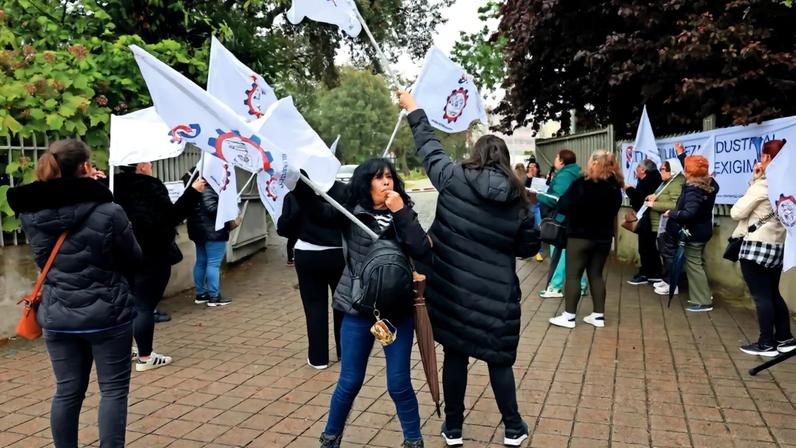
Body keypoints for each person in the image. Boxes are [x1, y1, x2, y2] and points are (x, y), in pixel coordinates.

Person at [399, 91, 540, 447]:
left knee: (456, 356)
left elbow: (429, 147)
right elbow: (527, 248)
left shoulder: (452, 178)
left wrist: (414, 109)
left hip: (453, 292)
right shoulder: (520, 199)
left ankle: (453, 428)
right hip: (498, 296)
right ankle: (512, 428)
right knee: (499, 361)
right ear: (506, 160)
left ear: (476, 155)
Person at [7, 139, 142, 448]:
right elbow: (133, 259)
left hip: (57, 313)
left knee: (67, 391)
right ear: (85, 167)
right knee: (113, 390)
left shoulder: (31, 212)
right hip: (108, 314)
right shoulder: (109, 210)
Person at [295, 159, 430, 448]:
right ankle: (330, 439)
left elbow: (421, 249)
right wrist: (297, 183)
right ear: (365, 183)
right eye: (379, 178)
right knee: (350, 381)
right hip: (357, 307)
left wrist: (401, 213)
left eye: (390, 177)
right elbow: (318, 214)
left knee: (399, 383)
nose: (386, 183)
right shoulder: (350, 212)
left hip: (396, 309)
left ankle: (414, 441)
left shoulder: (404, 212)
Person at [114, 162, 205, 371]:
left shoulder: (111, 185)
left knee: (126, 304)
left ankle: (125, 350)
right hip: (152, 254)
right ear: (143, 166)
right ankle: (145, 357)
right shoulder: (150, 186)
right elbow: (170, 217)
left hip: (121, 254)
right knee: (144, 306)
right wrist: (193, 193)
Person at [731, 139, 795, 356]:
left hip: (755, 247)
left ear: (768, 158)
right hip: (777, 246)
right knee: (773, 293)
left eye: (763, 156)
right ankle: (785, 338)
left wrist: (755, 179)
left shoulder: (764, 185)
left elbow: (736, 212)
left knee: (761, 296)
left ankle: (766, 343)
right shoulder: (788, 184)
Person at [549, 150, 623, 329]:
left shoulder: (582, 183)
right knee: (596, 275)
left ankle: (569, 316)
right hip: (603, 238)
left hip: (579, 236)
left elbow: (564, 205)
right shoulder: (615, 187)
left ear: (594, 163)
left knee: (573, 275)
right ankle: (598, 316)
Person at [276, 184, 346, 369]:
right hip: (340, 254)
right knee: (343, 306)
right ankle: (345, 353)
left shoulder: (296, 194)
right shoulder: (344, 190)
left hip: (308, 255)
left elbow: (283, 228)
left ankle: (318, 358)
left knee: (314, 307)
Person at [662, 146, 719, 312]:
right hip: (704, 229)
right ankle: (705, 294)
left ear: (689, 172)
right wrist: (682, 155)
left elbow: (689, 213)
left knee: (694, 265)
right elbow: (696, 169)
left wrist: (671, 213)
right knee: (699, 263)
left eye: (686, 169)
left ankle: (702, 301)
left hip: (694, 232)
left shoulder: (694, 189)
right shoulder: (710, 184)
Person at [535, 150, 581, 295]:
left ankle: (555, 286)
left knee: (558, 253)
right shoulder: (575, 172)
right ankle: (582, 285)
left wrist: (539, 195)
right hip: (573, 219)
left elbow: (556, 198)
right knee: (573, 255)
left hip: (561, 220)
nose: (554, 160)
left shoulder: (565, 176)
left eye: (556, 157)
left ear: (561, 161)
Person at [187, 177, 233, 307]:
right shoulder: (209, 186)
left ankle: (201, 294)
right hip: (213, 231)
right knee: (213, 263)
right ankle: (214, 297)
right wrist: (227, 204)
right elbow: (211, 208)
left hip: (198, 230)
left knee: (201, 261)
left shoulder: (192, 184)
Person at [646, 160, 684, 296]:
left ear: (672, 170)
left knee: (668, 254)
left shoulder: (677, 182)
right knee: (663, 252)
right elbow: (662, 196)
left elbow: (675, 205)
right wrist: (654, 197)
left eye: (663, 169)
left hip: (669, 224)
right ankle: (666, 279)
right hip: (663, 223)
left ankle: (672, 284)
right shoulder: (668, 181)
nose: (660, 171)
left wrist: (654, 205)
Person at [624, 159, 663, 285]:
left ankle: (647, 273)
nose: (636, 169)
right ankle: (654, 272)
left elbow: (640, 198)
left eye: (638, 167)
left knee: (646, 246)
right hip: (647, 217)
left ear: (643, 170)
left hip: (649, 218)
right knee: (649, 246)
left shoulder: (650, 181)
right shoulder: (651, 180)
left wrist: (628, 189)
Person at [525, 161, 545, 262]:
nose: (532, 168)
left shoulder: (542, 178)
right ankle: (527, 251)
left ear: (537, 168)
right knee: (528, 228)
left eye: (534, 167)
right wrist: (528, 178)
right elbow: (524, 190)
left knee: (539, 227)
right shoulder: (526, 178)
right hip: (528, 206)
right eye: (530, 167)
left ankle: (538, 251)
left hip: (539, 206)